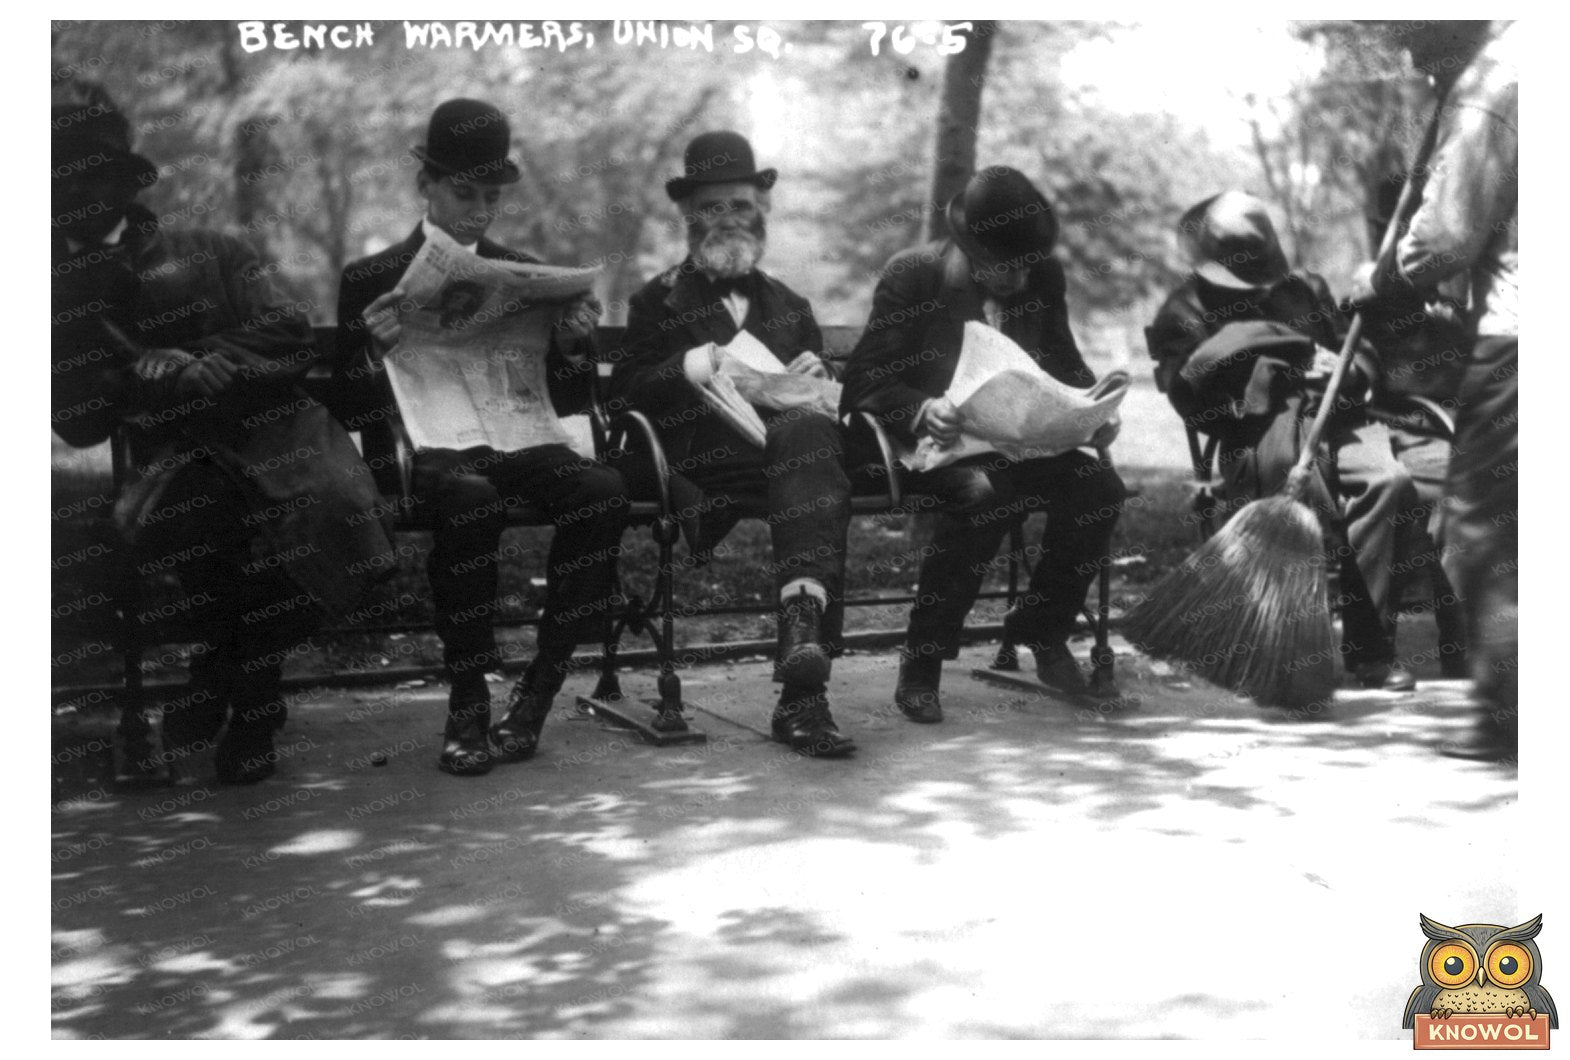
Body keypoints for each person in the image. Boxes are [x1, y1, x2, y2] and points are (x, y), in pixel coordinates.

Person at [51, 82, 393, 784]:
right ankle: (256, 707)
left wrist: (210, 360)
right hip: (176, 460)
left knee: (341, 516)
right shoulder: (48, 289)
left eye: (95, 173)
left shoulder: (212, 249)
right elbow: (76, 422)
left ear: (125, 182)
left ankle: (221, 673)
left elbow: (291, 333)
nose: (80, 189)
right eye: (62, 174)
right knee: (212, 525)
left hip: (279, 436)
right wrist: (143, 379)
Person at [332, 99, 628, 777]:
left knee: (603, 490)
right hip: (428, 451)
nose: (477, 212)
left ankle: (538, 690)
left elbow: (567, 395)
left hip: (518, 438)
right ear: (427, 185)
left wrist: (576, 347)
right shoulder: (371, 278)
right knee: (469, 501)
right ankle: (467, 697)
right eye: (463, 192)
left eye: (491, 197)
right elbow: (348, 405)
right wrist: (370, 353)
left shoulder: (520, 271)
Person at [842, 166, 1126, 723]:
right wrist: (923, 409)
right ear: (969, 246)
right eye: (1004, 265)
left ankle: (1042, 632)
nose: (1019, 278)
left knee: (1100, 488)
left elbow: (1063, 364)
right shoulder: (916, 276)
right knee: (983, 495)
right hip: (936, 446)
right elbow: (864, 382)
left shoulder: (1044, 276)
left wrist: (1093, 409)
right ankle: (923, 661)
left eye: (1027, 264)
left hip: (1021, 441)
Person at [611, 131, 857, 758]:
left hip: (790, 462)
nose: (727, 220)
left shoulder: (789, 304)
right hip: (705, 463)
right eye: (712, 208)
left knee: (808, 437)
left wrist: (818, 380)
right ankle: (804, 690)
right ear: (689, 217)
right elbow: (628, 394)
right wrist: (696, 363)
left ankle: (803, 649)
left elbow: (818, 399)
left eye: (740, 206)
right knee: (815, 470)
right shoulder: (656, 300)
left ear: (762, 212)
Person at [1147, 190, 1421, 694]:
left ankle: (1371, 650)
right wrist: (1276, 375)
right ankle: (1285, 648)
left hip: (1334, 421)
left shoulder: (1306, 289)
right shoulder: (1185, 307)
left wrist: (1340, 370)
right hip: (1256, 435)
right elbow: (1189, 397)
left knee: (1389, 480)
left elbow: (1362, 362)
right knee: (1297, 497)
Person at [1350, 21, 1518, 761]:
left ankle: (1512, 709)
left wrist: (1383, 279)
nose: (1415, 70)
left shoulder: (1489, 91)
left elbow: (1448, 235)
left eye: (1417, 48)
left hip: (1522, 339)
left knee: (1483, 528)